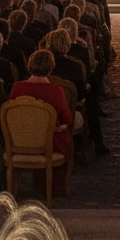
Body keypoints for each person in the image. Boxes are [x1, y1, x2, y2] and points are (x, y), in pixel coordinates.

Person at [9, 48, 72, 195]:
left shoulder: (17, 87)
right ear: (50, 67)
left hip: (19, 140)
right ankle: (56, 187)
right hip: (48, 142)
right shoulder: (56, 91)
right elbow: (67, 119)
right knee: (66, 135)